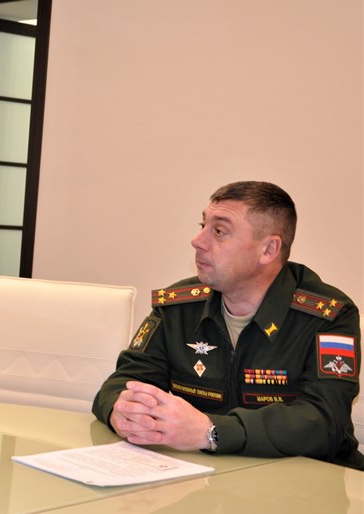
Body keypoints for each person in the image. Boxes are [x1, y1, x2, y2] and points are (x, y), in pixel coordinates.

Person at [93, 181, 363, 469]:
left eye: (219, 231)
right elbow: (124, 382)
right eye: (203, 225)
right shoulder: (178, 308)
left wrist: (210, 431)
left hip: (307, 481)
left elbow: (325, 423)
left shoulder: (329, 316)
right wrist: (123, 412)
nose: (197, 240)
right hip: (203, 479)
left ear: (268, 250)